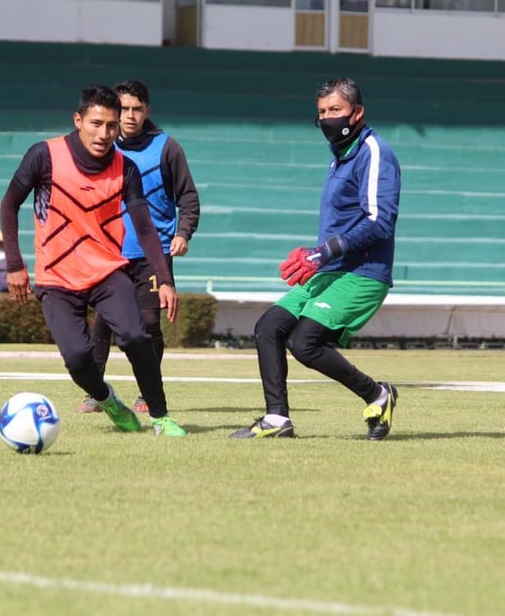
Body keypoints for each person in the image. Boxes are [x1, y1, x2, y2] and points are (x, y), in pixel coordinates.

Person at [0, 84, 187, 437]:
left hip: (106, 272)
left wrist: (165, 279)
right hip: (56, 278)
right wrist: (14, 265)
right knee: (79, 360)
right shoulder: (44, 155)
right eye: (96, 123)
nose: (104, 134)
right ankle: (108, 400)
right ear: (78, 120)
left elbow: (144, 226)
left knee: (136, 336)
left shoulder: (125, 168)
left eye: (111, 126)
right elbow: (9, 204)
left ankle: (160, 416)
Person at [230, 77, 401, 441]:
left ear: (357, 113)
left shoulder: (374, 152)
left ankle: (376, 394)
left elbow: (379, 221)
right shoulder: (339, 156)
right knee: (268, 328)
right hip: (331, 270)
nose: (328, 119)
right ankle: (277, 419)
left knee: (304, 343)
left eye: (335, 111)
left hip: (363, 273)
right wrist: (314, 252)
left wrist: (323, 252)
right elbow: (345, 222)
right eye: (322, 112)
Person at [79, 79, 201, 414]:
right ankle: (95, 392)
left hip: (153, 252)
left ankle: (148, 394)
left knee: (148, 325)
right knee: (103, 320)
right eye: (124, 110)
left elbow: (188, 197)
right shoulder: (104, 146)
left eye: (136, 109)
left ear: (147, 110)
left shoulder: (167, 147)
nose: (130, 116)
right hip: (110, 251)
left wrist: (184, 233)